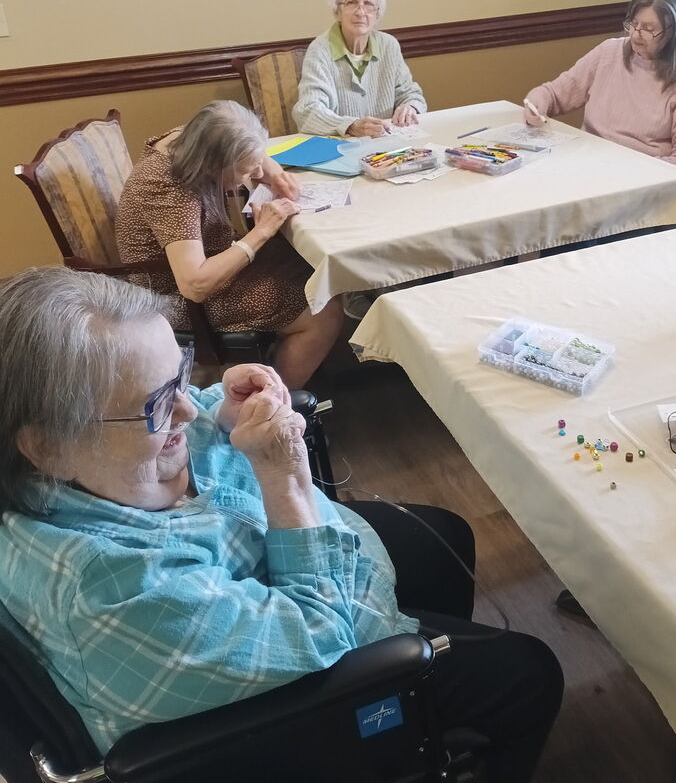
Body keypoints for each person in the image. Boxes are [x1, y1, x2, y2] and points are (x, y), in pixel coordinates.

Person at [0, 267, 563, 783]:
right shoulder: (115, 587)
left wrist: (222, 403)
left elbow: (181, 410)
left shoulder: (77, 462)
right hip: (285, 705)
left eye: (180, 375)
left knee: (443, 537)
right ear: (49, 447)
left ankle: (430, 703)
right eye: (158, 404)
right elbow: (318, 631)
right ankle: (411, 719)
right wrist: (286, 477)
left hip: (264, 581)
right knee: (528, 673)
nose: (187, 412)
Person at [116, 99, 343, 389]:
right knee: (323, 307)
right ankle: (268, 401)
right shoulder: (169, 187)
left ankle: (278, 370)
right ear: (214, 164)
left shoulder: (194, 138)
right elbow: (194, 285)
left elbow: (251, 152)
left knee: (314, 267)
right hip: (176, 296)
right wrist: (261, 232)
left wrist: (273, 172)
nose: (255, 176)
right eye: (246, 171)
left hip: (211, 258)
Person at [524, 0, 676, 170]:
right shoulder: (609, 51)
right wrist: (537, 101)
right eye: (633, 23)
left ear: (672, 32)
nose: (635, 35)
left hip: (639, 175)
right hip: (585, 162)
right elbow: (554, 94)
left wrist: (631, 173)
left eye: (648, 29)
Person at [293, 0, 428, 138]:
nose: (360, 12)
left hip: (387, 144)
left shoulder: (388, 45)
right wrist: (350, 126)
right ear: (337, 12)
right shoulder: (320, 50)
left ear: (377, 15)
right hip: (340, 147)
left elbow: (411, 94)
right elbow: (307, 111)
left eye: (369, 4)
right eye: (351, 3)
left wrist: (410, 107)